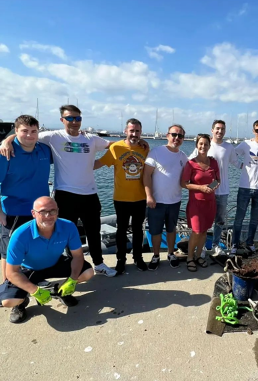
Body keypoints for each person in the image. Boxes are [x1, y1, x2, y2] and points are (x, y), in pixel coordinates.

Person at [1, 105, 117, 277]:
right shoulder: (52, 137)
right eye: (69, 118)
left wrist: (135, 143)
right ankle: (11, 283)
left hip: (84, 195)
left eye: (77, 118)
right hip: (56, 196)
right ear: (62, 120)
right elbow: (24, 135)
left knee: (89, 231)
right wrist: (6, 140)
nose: (74, 121)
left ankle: (95, 265)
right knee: (17, 245)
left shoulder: (87, 140)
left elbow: (113, 145)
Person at [0, 197, 94, 323]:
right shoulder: (20, 235)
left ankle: (59, 291)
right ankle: (21, 303)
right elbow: (11, 272)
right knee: (8, 301)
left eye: (52, 211)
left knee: (88, 272)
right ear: (33, 214)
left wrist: (72, 279)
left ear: (58, 211)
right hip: (29, 269)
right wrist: (34, 290)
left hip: (55, 263)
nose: (48, 216)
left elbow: (77, 256)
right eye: (43, 212)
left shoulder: (68, 226)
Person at [0, 115, 52, 283]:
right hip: (13, 210)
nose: (29, 135)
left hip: (40, 211)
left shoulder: (44, 150)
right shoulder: (5, 153)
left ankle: (34, 280)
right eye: (24, 131)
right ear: (16, 131)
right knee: (8, 252)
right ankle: (9, 288)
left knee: (34, 247)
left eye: (33, 131)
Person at [94, 118, 149, 273]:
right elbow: (99, 163)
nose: (134, 134)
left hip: (140, 197)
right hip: (121, 198)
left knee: (138, 230)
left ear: (141, 132)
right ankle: (121, 260)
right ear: (125, 131)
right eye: (131, 130)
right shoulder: (116, 148)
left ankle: (138, 258)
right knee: (121, 230)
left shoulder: (145, 148)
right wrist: (77, 168)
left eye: (137, 131)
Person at [188, 120, 241, 257]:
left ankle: (216, 245)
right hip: (204, 194)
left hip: (222, 191)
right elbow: (189, 162)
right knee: (204, 221)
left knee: (220, 221)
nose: (220, 131)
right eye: (217, 128)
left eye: (222, 129)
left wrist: (256, 162)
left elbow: (237, 163)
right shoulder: (204, 145)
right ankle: (203, 247)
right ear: (212, 130)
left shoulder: (229, 148)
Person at [144, 124, 188, 270]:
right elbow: (146, 175)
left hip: (175, 201)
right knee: (155, 231)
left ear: (183, 138)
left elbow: (189, 177)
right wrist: (149, 195)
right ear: (167, 135)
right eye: (174, 134)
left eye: (180, 136)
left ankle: (171, 253)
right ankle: (156, 256)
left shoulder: (183, 157)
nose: (177, 138)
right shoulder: (156, 152)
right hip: (156, 202)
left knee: (171, 229)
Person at [232, 120, 258, 254]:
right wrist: (239, 165)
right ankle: (234, 244)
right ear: (253, 131)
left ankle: (250, 242)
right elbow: (232, 154)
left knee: (254, 219)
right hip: (244, 187)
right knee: (239, 218)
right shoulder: (246, 144)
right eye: (257, 130)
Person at [181, 134, 220, 271]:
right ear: (197, 145)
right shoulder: (190, 163)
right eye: (201, 144)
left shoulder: (213, 162)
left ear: (210, 146)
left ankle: (198, 256)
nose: (203, 146)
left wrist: (213, 186)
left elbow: (218, 180)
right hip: (196, 204)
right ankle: (190, 258)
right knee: (196, 231)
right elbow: (183, 183)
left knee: (204, 231)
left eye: (206, 144)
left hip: (210, 203)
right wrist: (201, 188)